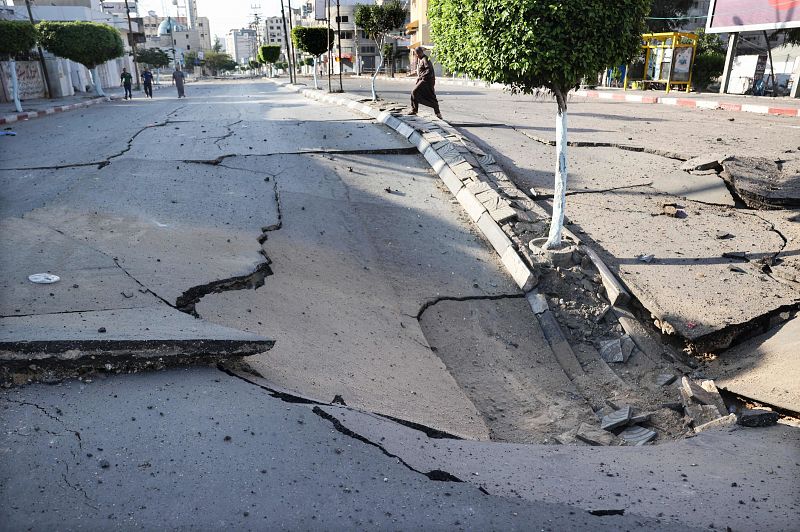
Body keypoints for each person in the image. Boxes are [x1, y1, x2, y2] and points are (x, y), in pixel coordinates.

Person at [410, 47, 441, 119]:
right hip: (423, 80)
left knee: (415, 92)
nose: (416, 55)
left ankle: (437, 113)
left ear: (420, 53)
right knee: (417, 93)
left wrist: (420, 77)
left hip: (426, 81)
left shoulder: (425, 59)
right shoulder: (421, 59)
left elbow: (429, 71)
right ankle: (415, 110)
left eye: (417, 54)